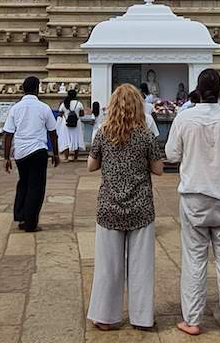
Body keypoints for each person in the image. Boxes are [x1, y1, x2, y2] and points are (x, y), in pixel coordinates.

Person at [164, 67, 220, 336]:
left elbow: (171, 154)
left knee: (194, 260)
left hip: (194, 198)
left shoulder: (184, 118)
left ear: (198, 91)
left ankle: (192, 319)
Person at [88, 83, 164, 331]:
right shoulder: (145, 135)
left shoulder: (103, 132)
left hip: (109, 206)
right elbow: (158, 169)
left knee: (108, 266)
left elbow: (91, 165)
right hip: (141, 206)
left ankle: (105, 316)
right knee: (141, 265)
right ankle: (142, 317)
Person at [1, 75, 59, 232]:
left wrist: (6, 157)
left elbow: (8, 134)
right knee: (36, 187)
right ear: (36, 89)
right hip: (38, 150)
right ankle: (30, 223)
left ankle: (21, 215)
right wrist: (55, 152)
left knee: (23, 183)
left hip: (21, 152)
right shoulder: (44, 107)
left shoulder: (15, 108)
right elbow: (53, 132)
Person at [59, 87, 87, 162]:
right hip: (76, 124)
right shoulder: (79, 104)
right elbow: (82, 114)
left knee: (66, 139)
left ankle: (66, 157)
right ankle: (75, 157)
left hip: (66, 123)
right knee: (76, 138)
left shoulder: (64, 103)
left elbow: (60, 114)